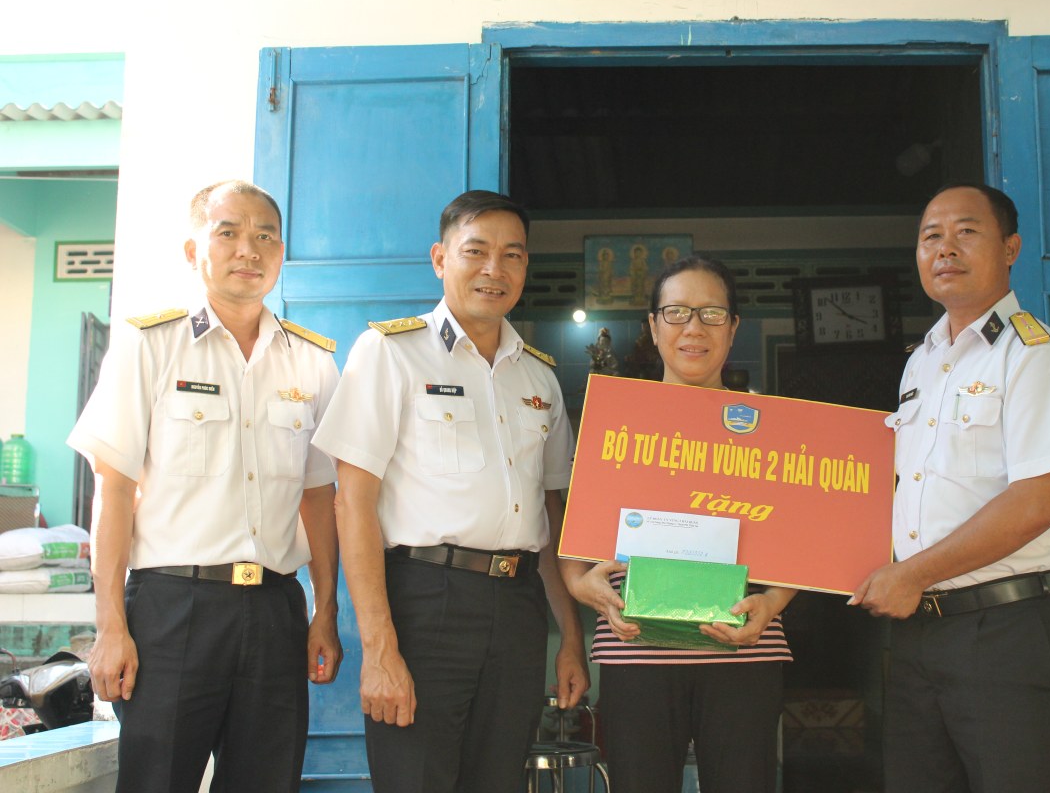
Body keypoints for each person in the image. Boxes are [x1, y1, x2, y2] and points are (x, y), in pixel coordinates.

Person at [68, 180, 343, 792]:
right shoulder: (150, 344)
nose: (249, 249)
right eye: (229, 233)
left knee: (266, 782)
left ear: (280, 254)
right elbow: (113, 491)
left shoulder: (313, 361)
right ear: (194, 252)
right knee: (157, 781)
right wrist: (111, 625)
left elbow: (319, 497)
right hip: (173, 608)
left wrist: (325, 611)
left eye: (265, 236)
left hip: (275, 609)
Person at [310, 190, 588, 793]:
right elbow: (351, 504)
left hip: (517, 610)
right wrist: (379, 647)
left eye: (512, 255)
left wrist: (570, 639)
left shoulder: (538, 376)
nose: (495, 270)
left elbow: (549, 517)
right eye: (476, 251)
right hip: (424, 601)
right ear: (440, 258)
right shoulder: (390, 353)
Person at [849, 183, 1050, 792]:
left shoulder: (1035, 356)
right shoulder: (922, 362)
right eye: (931, 236)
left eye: (967, 232)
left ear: (1010, 248)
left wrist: (909, 574)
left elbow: (1036, 500)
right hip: (920, 633)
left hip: (1006, 629)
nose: (945, 249)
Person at [562, 255, 796, 793]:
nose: (694, 328)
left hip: (744, 648)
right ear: (653, 325)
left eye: (712, 314)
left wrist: (775, 603)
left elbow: (800, 541)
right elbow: (574, 543)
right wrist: (584, 587)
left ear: (734, 328)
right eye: (677, 313)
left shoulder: (772, 431)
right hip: (635, 648)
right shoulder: (612, 422)